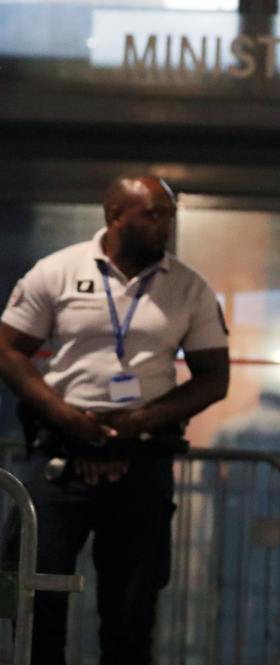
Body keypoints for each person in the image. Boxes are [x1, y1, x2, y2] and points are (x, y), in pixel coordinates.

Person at [0, 176, 230, 665]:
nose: (165, 226)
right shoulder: (57, 271)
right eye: (153, 214)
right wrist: (67, 418)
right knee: (37, 598)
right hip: (59, 454)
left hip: (142, 457)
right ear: (115, 216)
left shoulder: (188, 287)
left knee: (132, 611)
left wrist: (137, 423)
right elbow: (8, 350)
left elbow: (214, 378)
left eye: (169, 215)